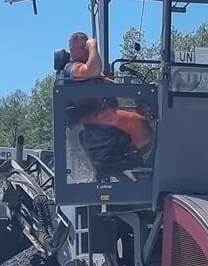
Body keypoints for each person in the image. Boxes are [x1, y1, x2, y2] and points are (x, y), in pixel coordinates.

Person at [58, 30, 152, 176]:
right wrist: (93, 44)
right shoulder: (72, 67)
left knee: (142, 116)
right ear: (72, 49)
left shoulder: (87, 74)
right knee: (139, 123)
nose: (86, 50)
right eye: (83, 47)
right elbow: (93, 70)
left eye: (87, 46)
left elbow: (112, 84)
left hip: (97, 120)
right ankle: (129, 163)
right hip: (88, 121)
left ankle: (127, 162)